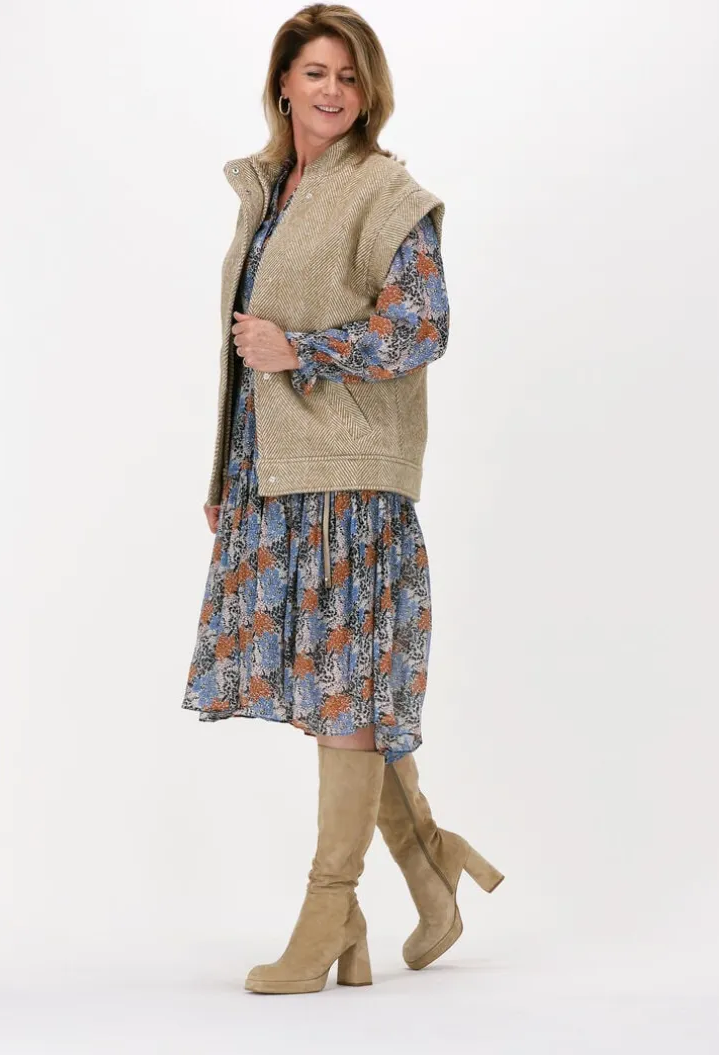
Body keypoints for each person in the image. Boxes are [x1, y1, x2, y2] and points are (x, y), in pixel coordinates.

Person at [182, 3, 504, 994]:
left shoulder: (384, 191)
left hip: (353, 479)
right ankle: (426, 863)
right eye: (315, 71)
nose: (332, 90)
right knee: (334, 690)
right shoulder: (268, 190)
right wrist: (229, 475)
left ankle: (331, 907)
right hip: (275, 476)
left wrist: (304, 349)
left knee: (345, 694)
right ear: (283, 82)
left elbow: (421, 327)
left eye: (350, 76)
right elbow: (240, 351)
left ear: (370, 93)